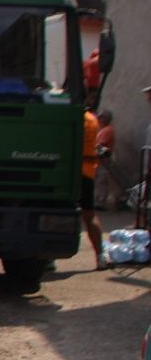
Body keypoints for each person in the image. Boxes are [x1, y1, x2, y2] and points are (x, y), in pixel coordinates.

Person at [82, 108, 105, 270]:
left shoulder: (72, 116)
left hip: (70, 171)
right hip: (88, 172)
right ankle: (101, 256)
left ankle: (49, 259)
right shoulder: (92, 119)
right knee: (89, 215)